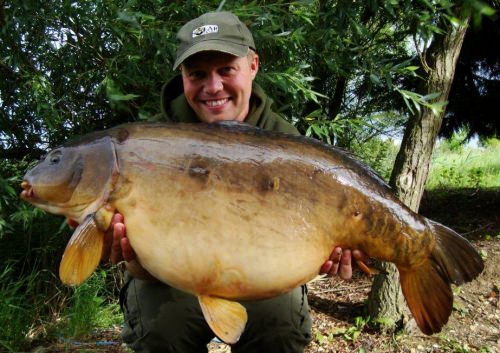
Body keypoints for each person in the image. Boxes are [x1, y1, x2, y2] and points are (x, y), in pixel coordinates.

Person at [101, 11, 364, 353]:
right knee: (160, 329)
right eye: (197, 74)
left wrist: (332, 254)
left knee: (280, 327)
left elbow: (305, 247)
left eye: (226, 70)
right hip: (173, 280)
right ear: (182, 76)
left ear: (253, 65)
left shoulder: (286, 141)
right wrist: (128, 254)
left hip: (261, 273)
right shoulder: (148, 145)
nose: (213, 87)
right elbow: (143, 266)